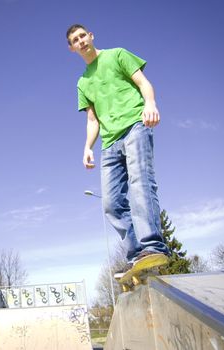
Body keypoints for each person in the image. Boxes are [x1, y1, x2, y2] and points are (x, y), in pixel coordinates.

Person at [67, 24, 170, 277]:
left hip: (136, 125)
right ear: (72, 48)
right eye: (75, 40)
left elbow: (143, 82)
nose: (80, 41)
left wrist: (150, 103)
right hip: (109, 142)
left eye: (82, 36)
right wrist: (87, 147)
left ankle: (153, 246)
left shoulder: (117, 55)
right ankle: (136, 255)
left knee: (140, 183)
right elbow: (92, 119)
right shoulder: (82, 82)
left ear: (91, 36)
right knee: (111, 204)